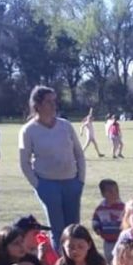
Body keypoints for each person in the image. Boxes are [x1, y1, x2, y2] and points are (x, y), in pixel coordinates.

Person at [19, 85, 86, 251]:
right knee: (57, 230)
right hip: (48, 185)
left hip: (72, 183)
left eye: (54, 101)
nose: (54, 105)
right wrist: (38, 185)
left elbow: (79, 153)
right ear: (38, 105)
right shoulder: (28, 130)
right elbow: (24, 162)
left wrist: (80, 180)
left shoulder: (65, 126)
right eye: (49, 102)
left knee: (74, 230)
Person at [92, 179, 125, 265]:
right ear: (103, 194)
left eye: (116, 191)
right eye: (110, 191)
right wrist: (97, 228)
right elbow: (95, 219)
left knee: (121, 259)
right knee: (110, 259)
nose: (114, 194)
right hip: (107, 240)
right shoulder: (100, 209)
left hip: (121, 240)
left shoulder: (123, 208)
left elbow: (128, 220)